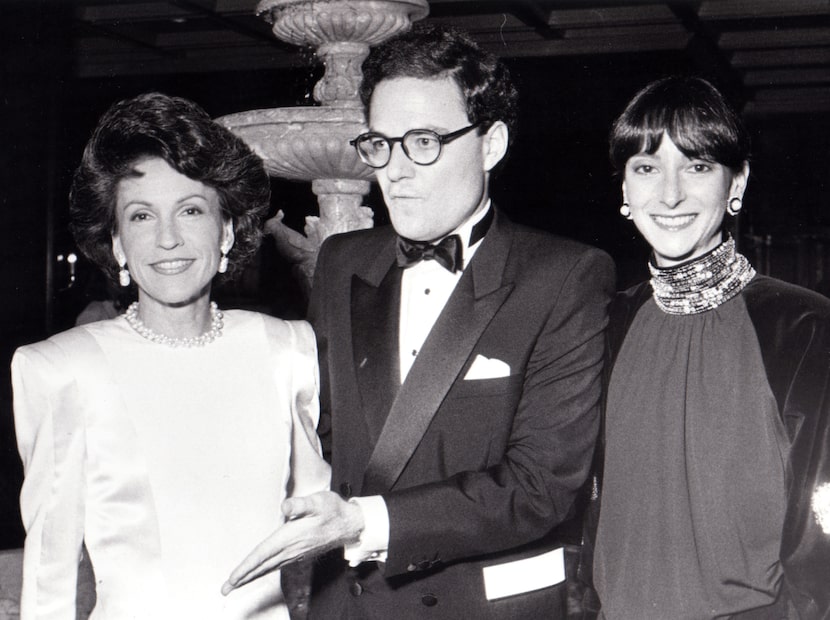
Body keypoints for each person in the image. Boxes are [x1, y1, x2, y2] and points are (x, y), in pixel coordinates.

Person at [221, 23, 615, 619]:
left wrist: (363, 522)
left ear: (491, 145)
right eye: (380, 144)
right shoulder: (342, 261)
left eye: (423, 142)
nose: (395, 171)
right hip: (350, 605)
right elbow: (328, 435)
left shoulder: (565, 276)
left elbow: (541, 487)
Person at [11, 92, 330, 619]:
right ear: (117, 243)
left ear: (226, 229)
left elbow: (316, 525)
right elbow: (51, 575)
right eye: (141, 216)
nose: (167, 239)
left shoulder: (287, 349)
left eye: (190, 210)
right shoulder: (61, 369)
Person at [585, 76, 830, 618]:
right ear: (624, 189)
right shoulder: (605, 323)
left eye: (697, 167)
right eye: (646, 168)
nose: (670, 194)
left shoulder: (805, 327)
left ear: (736, 182)